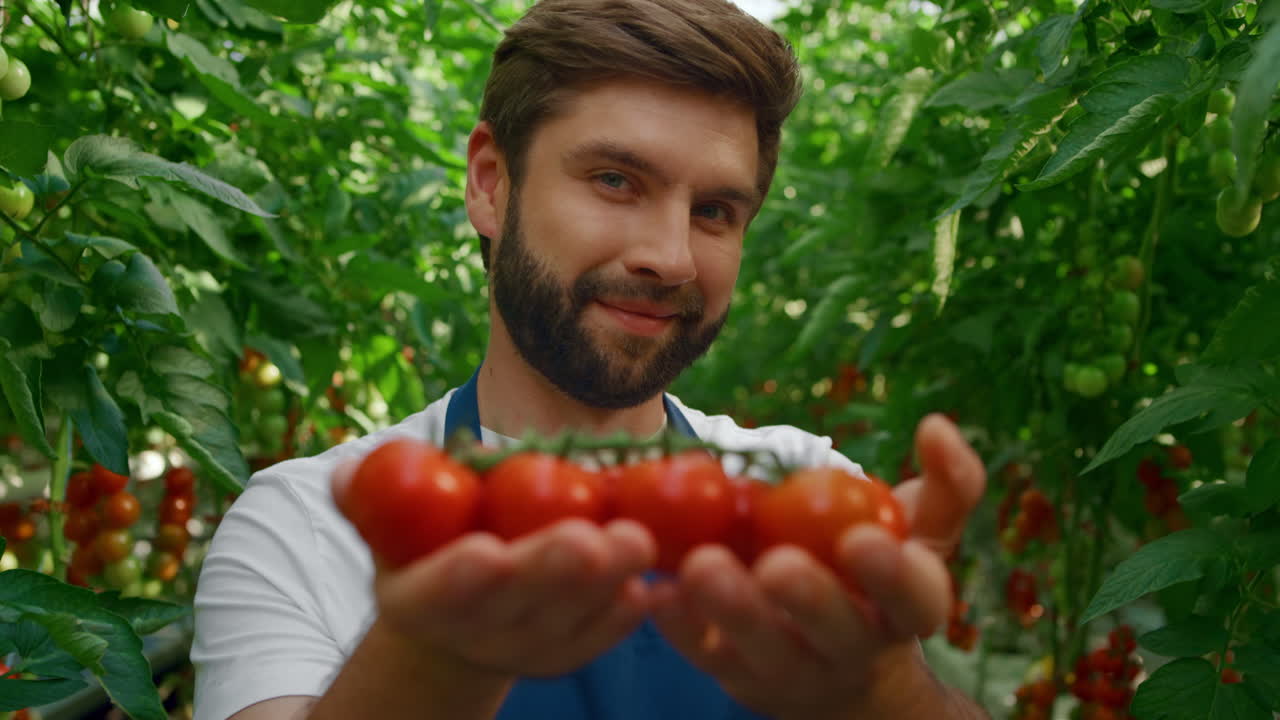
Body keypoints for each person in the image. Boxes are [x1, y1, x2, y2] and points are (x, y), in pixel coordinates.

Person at [190, 0, 991, 717]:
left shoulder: (804, 493)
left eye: (714, 211)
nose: (671, 256)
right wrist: (436, 665)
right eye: (615, 180)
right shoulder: (309, 526)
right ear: (491, 184)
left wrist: (883, 693)